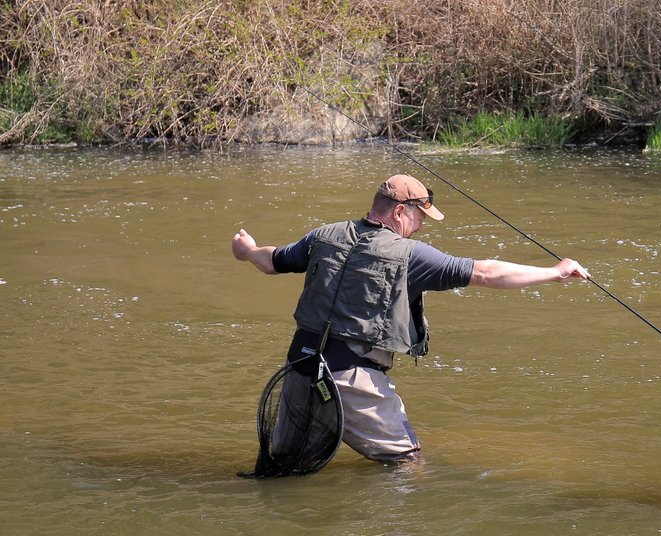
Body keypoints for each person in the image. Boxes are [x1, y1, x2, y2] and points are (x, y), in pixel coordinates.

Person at [231, 174, 590, 473]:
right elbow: (485, 272)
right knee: (407, 464)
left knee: (285, 469)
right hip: (351, 378)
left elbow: (270, 261)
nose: (420, 226)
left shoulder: (323, 236)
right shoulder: (410, 255)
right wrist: (554, 273)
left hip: (300, 369)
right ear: (400, 211)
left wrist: (247, 250)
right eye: (420, 218)